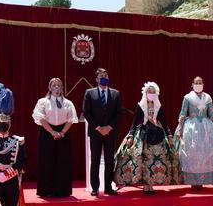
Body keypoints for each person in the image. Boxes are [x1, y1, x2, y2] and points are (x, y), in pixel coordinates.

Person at [115, 81, 180, 194]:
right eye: (149, 91)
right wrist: (131, 136)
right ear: (145, 93)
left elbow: (164, 122)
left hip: (157, 133)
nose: (151, 93)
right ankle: (145, 185)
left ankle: (151, 183)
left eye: (153, 92)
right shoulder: (141, 106)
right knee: (143, 159)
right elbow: (134, 123)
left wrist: (169, 135)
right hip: (143, 134)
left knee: (154, 160)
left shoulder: (158, 106)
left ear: (156, 93)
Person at [175, 76, 213, 188]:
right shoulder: (188, 97)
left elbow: (212, 115)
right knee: (192, 153)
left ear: (203, 84)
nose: (198, 84)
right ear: (192, 84)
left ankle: (202, 180)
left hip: (206, 129)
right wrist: (180, 129)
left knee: (206, 153)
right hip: (191, 128)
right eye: (196, 83)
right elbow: (183, 114)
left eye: (200, 82)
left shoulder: (207, 97)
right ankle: (193, 181)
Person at [32, 77, 78, 197]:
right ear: (49, 87)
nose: (56, 87)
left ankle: (62, 190)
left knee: (63, 161)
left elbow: (70, 119)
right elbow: (40, 117)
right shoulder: (43, 102)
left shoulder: (68, 103)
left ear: (62, 88)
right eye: (54, 85)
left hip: (63, 133)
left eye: (59, 85)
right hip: (47, 133)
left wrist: (62, 132)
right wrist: (52, 132)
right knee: (47, 161)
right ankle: (46, 190)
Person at [81, 67, 120, 196]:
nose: (104, 77)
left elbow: (118, 113)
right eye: (101, 75)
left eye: (106, 75)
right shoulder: (89, 92)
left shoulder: (115, 93)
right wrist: (98, 127)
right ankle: (95, 188)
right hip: (95, 132)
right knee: (95, 160)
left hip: (110, 132)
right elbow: (86, 112)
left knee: (110, 160)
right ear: (97, 79)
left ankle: (108, 187)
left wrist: (109, 127)